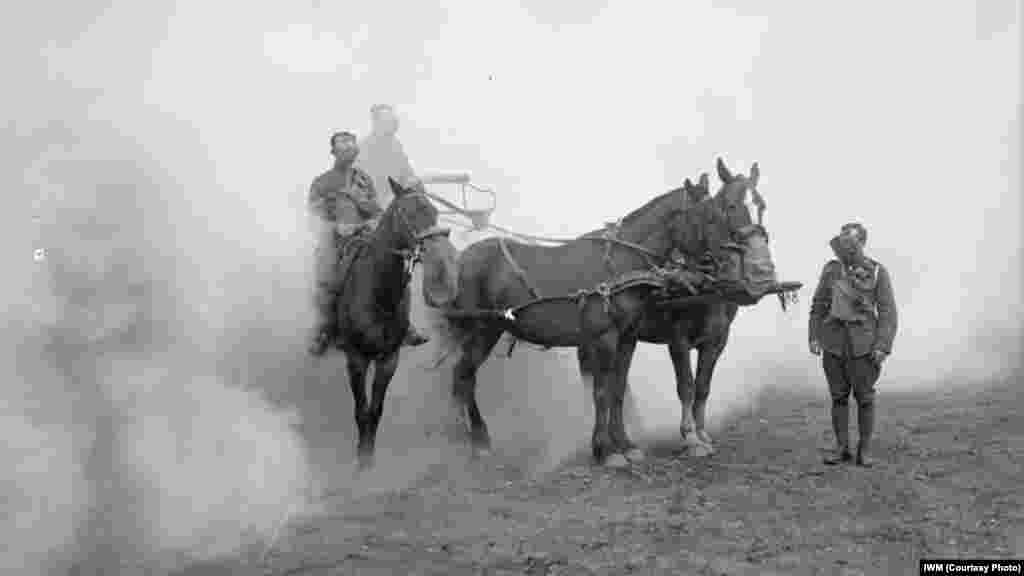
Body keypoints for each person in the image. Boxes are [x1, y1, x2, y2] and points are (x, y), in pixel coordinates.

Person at [307, 130, 429, 356]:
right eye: (343, 145)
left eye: (352, 144)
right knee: (329, 278)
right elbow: (313, 218)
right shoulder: (322, 183)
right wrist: (336, 228)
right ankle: (325, 329)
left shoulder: (363, 179)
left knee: (397, 269)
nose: (349, 148)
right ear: (333, 151)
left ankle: (404, 325)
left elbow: (376, 210)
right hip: (335, 242)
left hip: (364, 237)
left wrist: (370, 223)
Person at [809, 222, 898, 467]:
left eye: (852, 241)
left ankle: (864, 451)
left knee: (865, 398)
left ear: (862, 243)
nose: (846, 246)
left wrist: (882, 345)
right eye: (843, 239)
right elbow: (818, 306)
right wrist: (814, 336)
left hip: (864, 345)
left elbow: (888, 313)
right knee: (838, 397)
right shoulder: (831, 271)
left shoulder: (878, 271)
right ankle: (841, 448)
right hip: (834, 344)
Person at [356, 103, 418, 210]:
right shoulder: (363, 149)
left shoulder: (396, 146)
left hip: (395, 205)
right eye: (388, 121)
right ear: (376, 123)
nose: (394, 124)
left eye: (394, 121)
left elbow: (407, 173)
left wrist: (412, 181)